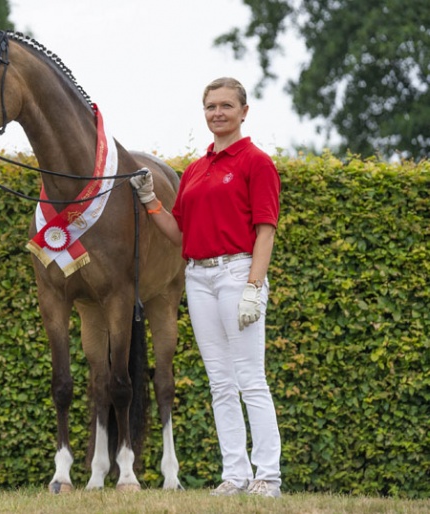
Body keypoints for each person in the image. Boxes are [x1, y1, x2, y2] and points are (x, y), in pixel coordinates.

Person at [131, 77, 282, 498]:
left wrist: (254, 286)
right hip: (198, 276)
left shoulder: (256, 162)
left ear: (244, 112)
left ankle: (267, 475)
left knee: (250, 378)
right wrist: (149, 200)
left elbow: (265, 231)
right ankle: (234, 474)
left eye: (226, 106)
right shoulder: (196, 170)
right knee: (219, 381)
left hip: (238, 274)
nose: (218, 113)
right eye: (211, 106)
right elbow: (179, 233)